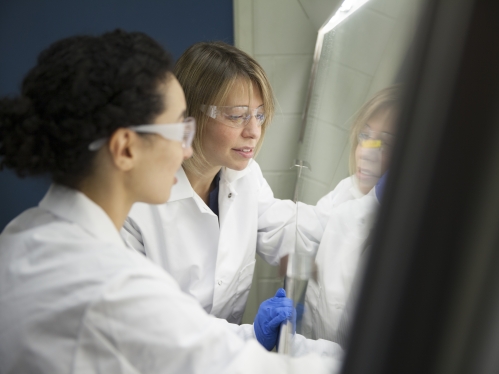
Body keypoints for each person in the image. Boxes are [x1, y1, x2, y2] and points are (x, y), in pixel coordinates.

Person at [0, 30, 341, 373]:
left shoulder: (24, 234)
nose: (187, 150)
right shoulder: (110, 286)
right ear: (126, 148)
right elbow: (224, 362)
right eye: (178, 129)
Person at [121, 41, 296, 324]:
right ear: (189, 116)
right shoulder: (135, 208)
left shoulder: (244, 176)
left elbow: (292, 233)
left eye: (260, 115)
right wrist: (249, 338)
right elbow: (149, 331)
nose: (253, 131)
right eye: (238, 116)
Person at [297, 85, 400, 342]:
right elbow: (302, 230)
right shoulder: (346, 191)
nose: (365, 152)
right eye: (365, 136)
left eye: (384, 143)